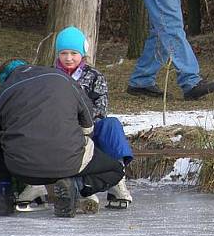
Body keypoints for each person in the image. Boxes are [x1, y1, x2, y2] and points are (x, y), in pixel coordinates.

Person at [0, 59, 125, 218]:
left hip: (22, 170)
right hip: (70, 162)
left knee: (1, 146)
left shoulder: (0, 93)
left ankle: (5, 190)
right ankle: (75, 186)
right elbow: (88, 123)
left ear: (4, 78)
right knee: (115, 170)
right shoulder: (62, 78)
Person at [15, 26, 135, 211]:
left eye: (73, 53)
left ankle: (117, 182)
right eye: (64, 53)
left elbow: (100, 109)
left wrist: (81, 123)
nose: (69, 58)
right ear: (57, 54)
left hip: (88, 129)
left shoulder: (95, 77)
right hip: (56, 132)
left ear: (83, 54)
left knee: (111, 125)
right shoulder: (48, 75)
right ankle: (36, 183)